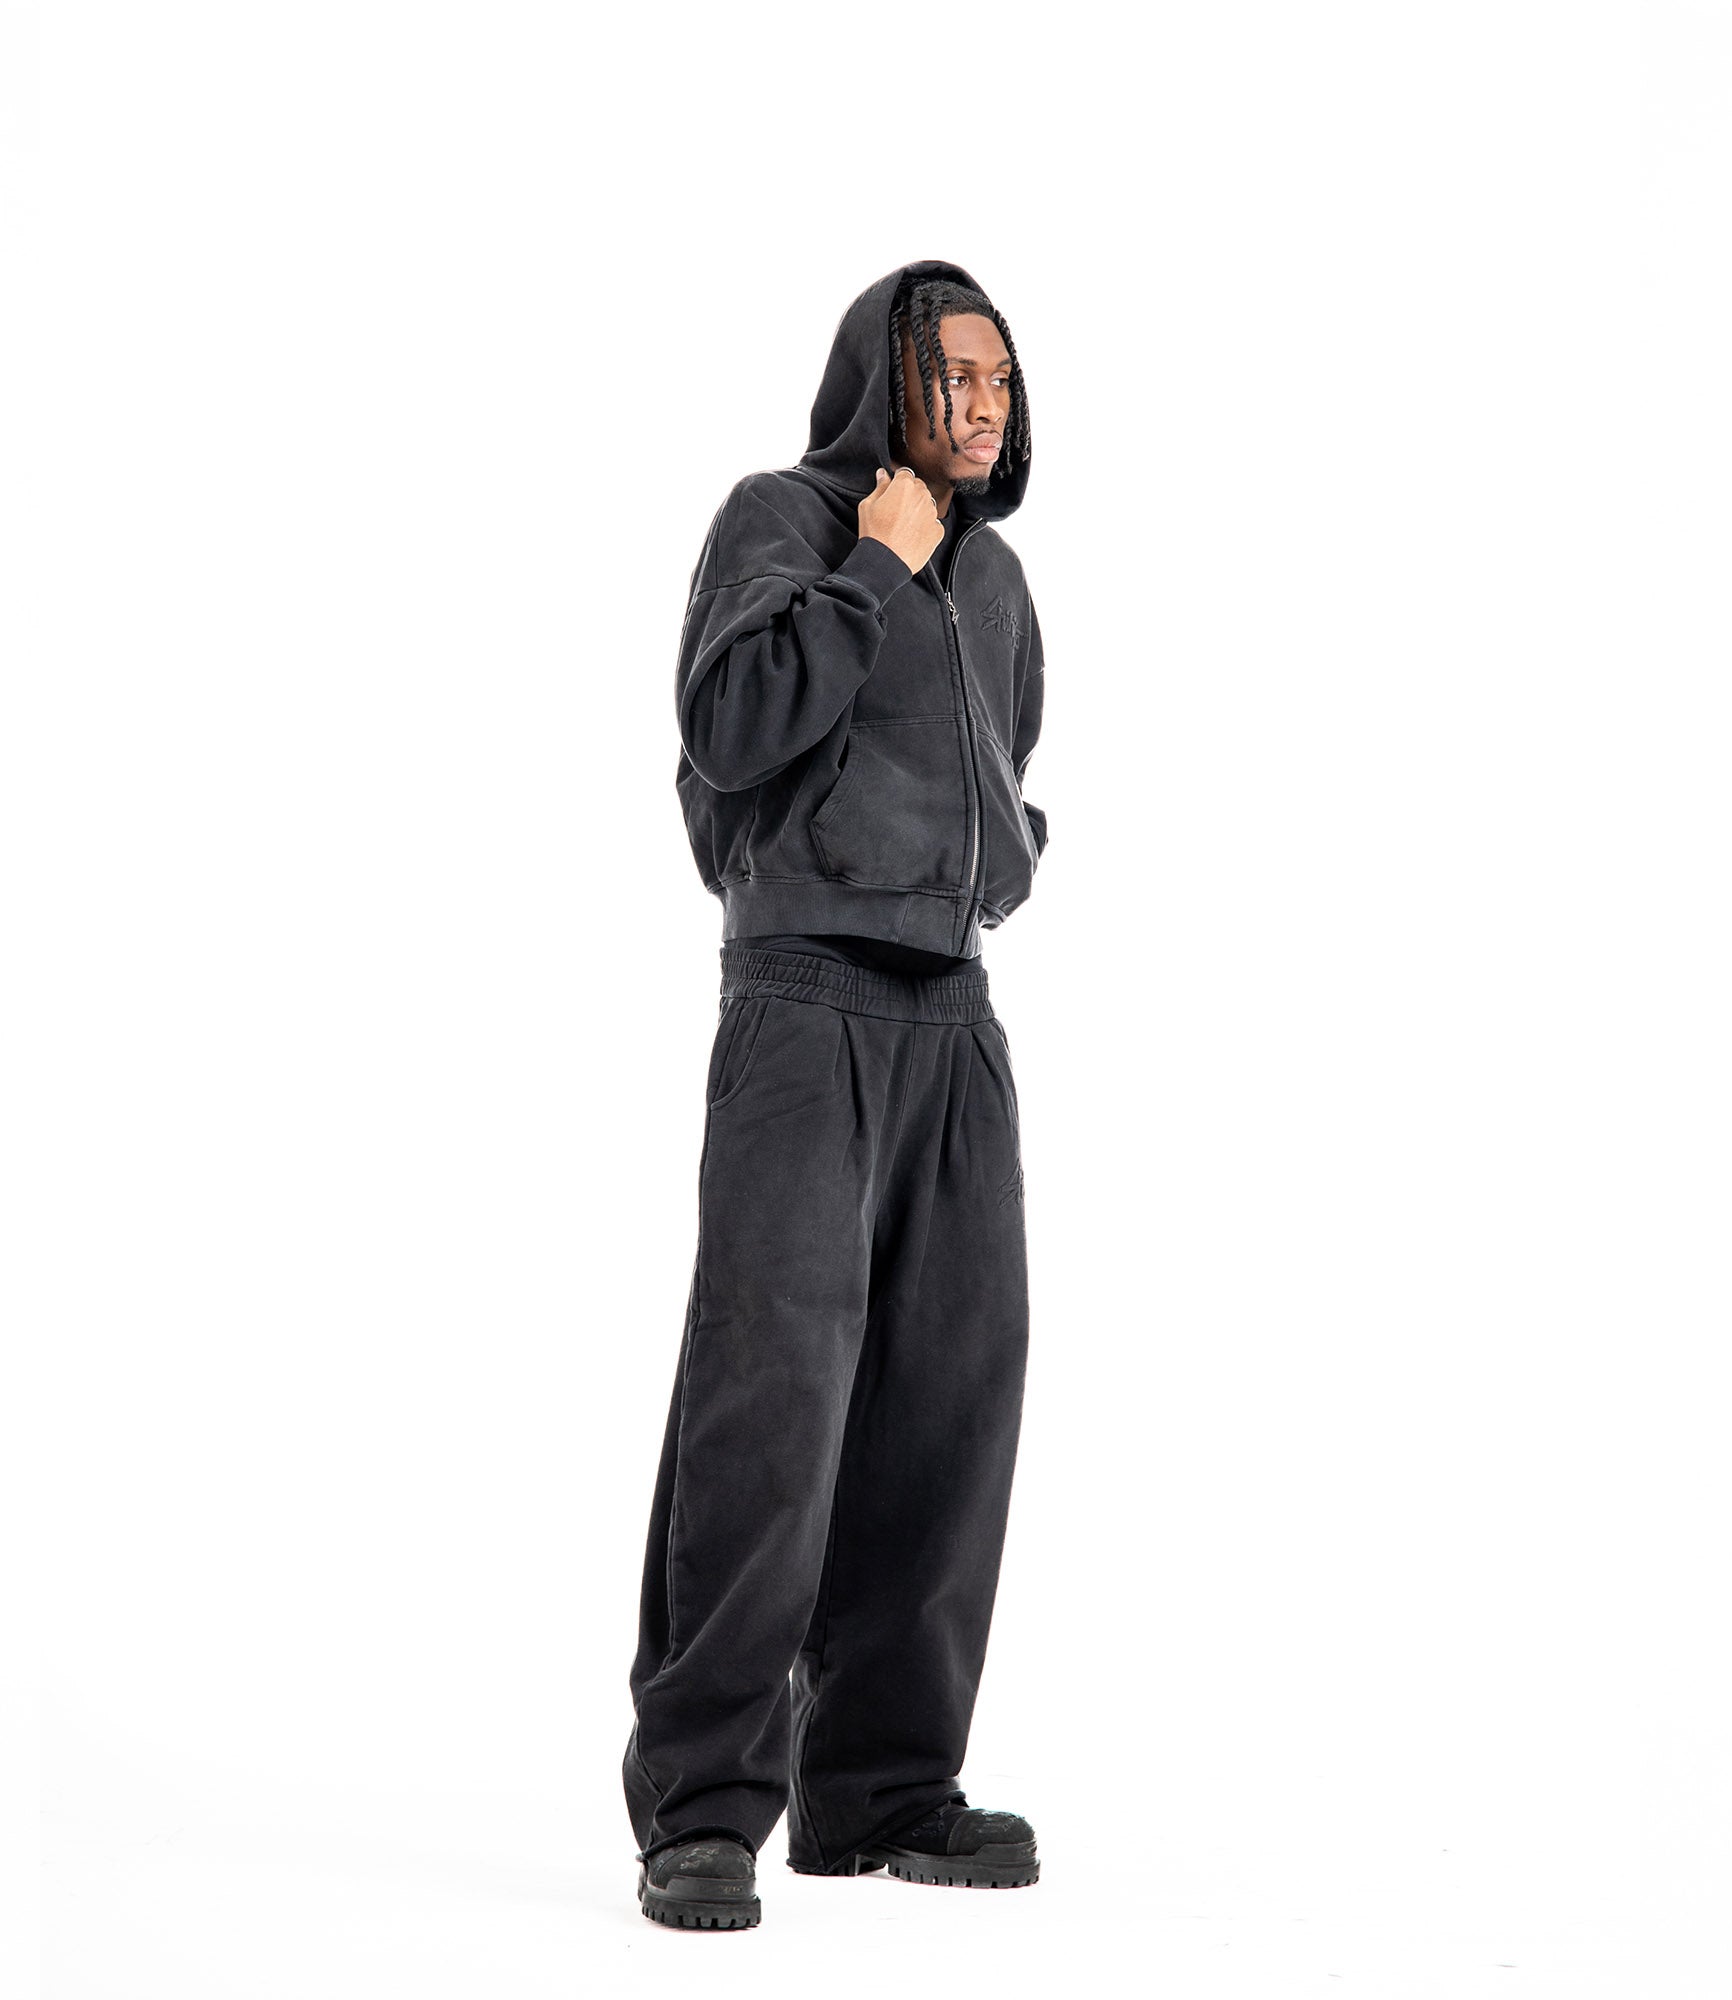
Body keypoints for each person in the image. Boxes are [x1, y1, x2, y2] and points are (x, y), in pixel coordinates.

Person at [624, 259, 1051, 1931]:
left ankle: (880, 1784)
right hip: (802, 998)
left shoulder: (999, 580)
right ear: (884, 378)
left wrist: (1006, 855)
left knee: (952, 1398)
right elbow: (726, 730)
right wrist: (871, 564)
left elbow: (1008, 756)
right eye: (953, 375)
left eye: (1000, 380)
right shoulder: (782, 522)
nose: (982, 405)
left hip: (955, 1010)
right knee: (770, 1398)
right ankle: (703, 1804)